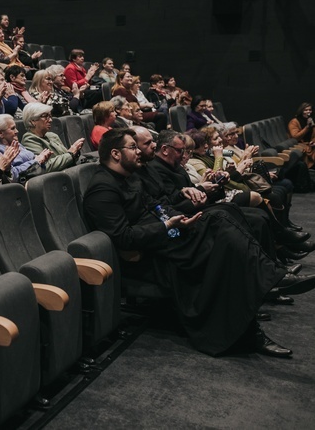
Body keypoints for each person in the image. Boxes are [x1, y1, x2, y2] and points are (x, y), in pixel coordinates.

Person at [82, 127, 315, 357]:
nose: (139, 152)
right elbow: (124, 237)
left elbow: (154, 205)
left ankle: (261, 298)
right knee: (221, 224)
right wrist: (168, 226)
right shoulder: (102, 188)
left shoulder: (130, 177)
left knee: (225, 216)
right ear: (115, 153)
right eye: (133, 147)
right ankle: (270, 281)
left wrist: (177, 218)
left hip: (170, 235)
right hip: (151, 249)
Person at [21, 102, 84, 171]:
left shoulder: (52, 136)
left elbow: (66, 155)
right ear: (33, 121)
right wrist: (70, 154)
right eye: (45, 116)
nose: (50, 120)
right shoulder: (29, 140)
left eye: (50, 116)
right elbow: (43, 166)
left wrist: (74, 153)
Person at [0, 113, 49, 183]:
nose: (17, 131)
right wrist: (36, 161)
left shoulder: (14, 142)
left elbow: (32, 158)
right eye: (12, 128)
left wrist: (41, 158)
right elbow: (11, 174)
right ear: (0, 133)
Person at [288, 102, 315, 168]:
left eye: (310, 110)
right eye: (306, 110)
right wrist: (307, 127)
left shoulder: (310, 121)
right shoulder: (294, 122)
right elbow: (295, 137)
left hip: (311, 145)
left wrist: (314, 141)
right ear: (301, 111)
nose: (308, 112)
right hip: (300, 145)